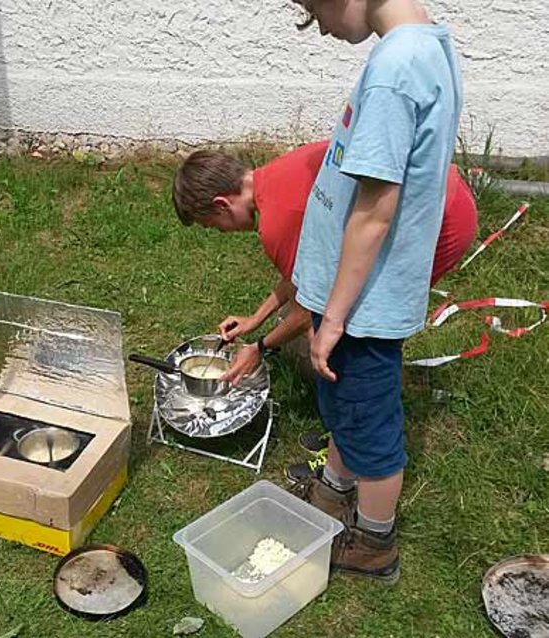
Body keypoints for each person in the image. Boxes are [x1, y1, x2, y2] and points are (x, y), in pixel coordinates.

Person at [172, 141, 476, 483]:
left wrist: (259, 348)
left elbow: (312, 307)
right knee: (343, 327)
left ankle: (355, 451)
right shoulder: (275, 176)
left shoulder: (276, 219)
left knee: (359, 333)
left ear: (222, 204)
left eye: (214, 226)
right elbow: (306, 271)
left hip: (437, 217)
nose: (222, 233)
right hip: (436, 193)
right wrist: (256, 319)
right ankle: (344, 438)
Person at [289, 0, 463, 583]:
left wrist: (335, 315)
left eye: (316, 13)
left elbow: (375, 211)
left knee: (371, 424)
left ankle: (373, 543)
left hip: (361, 306)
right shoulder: (421, 46)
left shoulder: (395, 69)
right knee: (345, 407)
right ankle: (336, 490)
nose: (325, 29)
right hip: (354, 299)